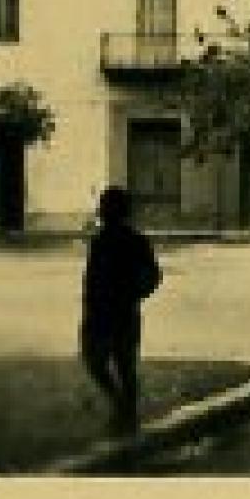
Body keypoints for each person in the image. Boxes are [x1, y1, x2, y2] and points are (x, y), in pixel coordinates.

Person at [80, 186, 162, 433]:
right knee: (97, 361)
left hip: (122, 312)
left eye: (106, 207)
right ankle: (122, 405)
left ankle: (127, 414)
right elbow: (91, 277)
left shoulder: (135, 240)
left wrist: (135, 294)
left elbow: (153, 275)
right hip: (102, 312)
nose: (103, 211)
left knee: (123, 365)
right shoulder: (99, 241)